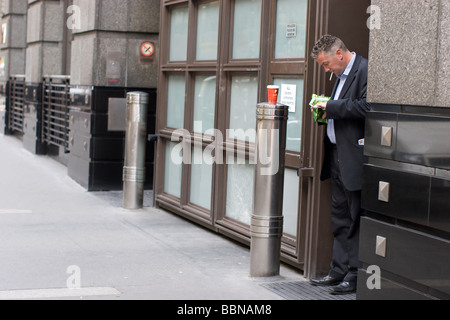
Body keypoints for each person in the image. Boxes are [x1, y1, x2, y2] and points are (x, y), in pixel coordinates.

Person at [309, 35, 370, 295]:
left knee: (355, 216)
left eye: (326, 64)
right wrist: (324, 110)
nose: (326, 70)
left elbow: (367, 107)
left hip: (353, 157)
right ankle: (338, 270)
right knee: (340, 215)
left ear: (340, 55)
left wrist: (331, 106)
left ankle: (355, 276)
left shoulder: (365, 70)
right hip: (335, 155)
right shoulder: (340, 75)